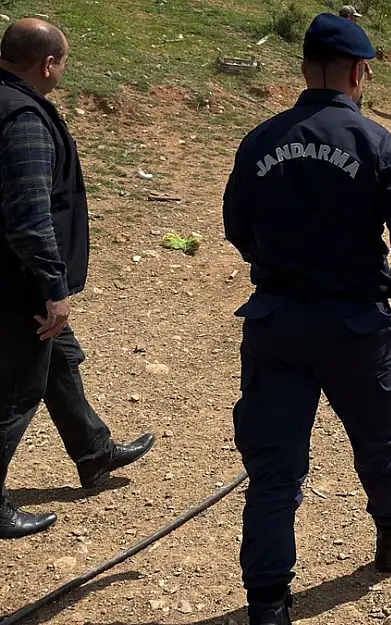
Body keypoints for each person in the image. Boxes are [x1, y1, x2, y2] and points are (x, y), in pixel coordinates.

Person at [222, 13, 391, 625]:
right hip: (355, 326)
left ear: (304, 69)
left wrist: (282, 263)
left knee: (274, 469)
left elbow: (236, 227)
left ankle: (268, 601)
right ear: (359, 73)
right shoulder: (379, 145)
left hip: (276, 322)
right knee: (379, 438)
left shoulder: (258, 142)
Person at [0, 18, 155, 540]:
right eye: (63, 63)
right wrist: (53, 287)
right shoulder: (22, 118)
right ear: (47, 64)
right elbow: (28, 216)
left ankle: (93, 452)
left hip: (13, 275)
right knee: (17, 391)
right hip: (18, 282)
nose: (62, 72)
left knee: (60, 359)